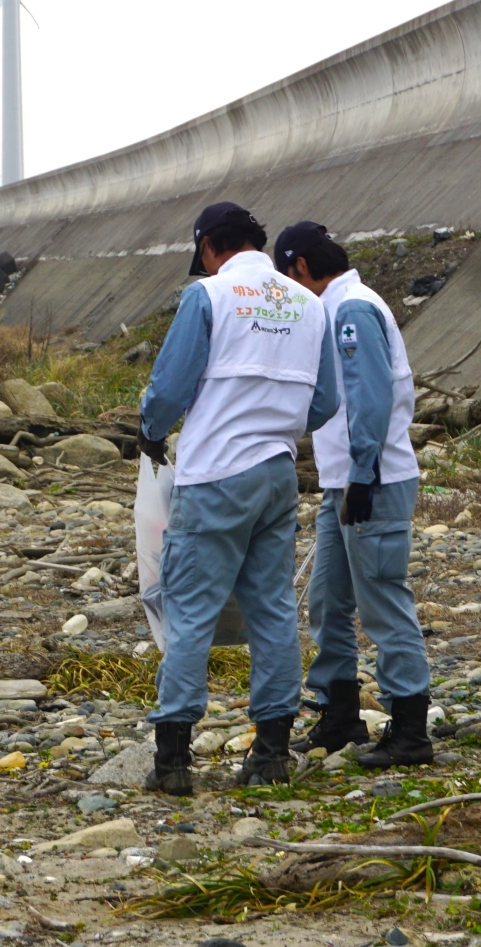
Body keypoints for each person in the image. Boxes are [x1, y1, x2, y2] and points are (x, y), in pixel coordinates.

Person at [136, 202, 338, 796]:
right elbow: (324, 401)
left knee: (190, 610)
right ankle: (271, 750)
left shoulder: (209, 297)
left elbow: (169, 388)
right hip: (277, 474)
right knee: (272, 607)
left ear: (208, 249)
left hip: (215, 474)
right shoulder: (307, 303)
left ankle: (173, 759)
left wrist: (151, 429)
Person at [274, 222, 434, 768]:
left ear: (300, 270)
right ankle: (340, 715)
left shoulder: (351, 311)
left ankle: (411, 729)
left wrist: (364, 473)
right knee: (327, 600)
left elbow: (371, 396)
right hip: (343, 482)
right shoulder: (337, 308)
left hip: (373, 481)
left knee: (383, 603)